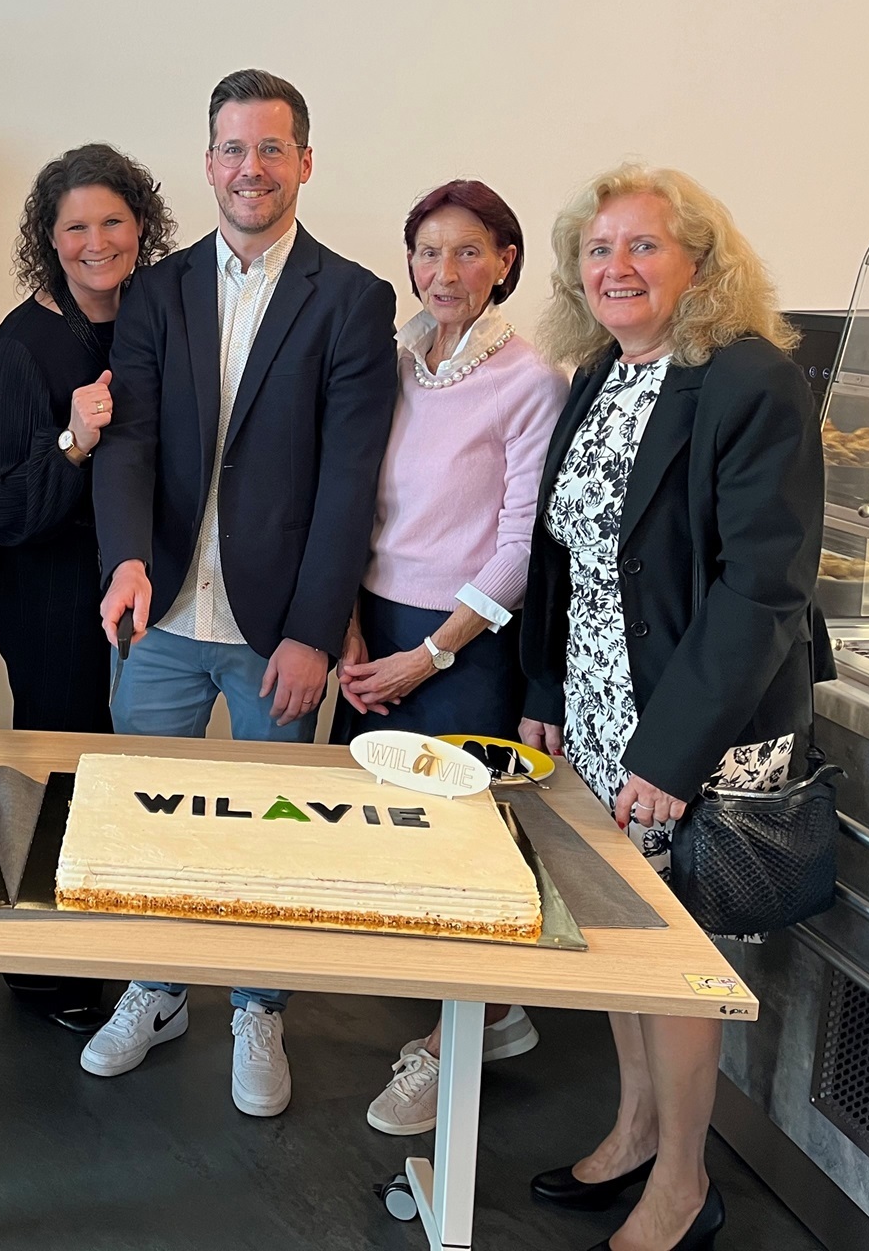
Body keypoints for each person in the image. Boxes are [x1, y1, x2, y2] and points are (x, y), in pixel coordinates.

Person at [86, 69, 398, 1117]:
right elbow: (127, 439)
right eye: (231, 148)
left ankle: (258, 1006)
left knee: (276, 830)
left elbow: (351, 480)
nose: (249, 168)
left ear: (304, 163)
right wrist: (125, 556)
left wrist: (316, 630)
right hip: (164, 613)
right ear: (208, 161)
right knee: (152, 819)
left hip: (279, 631)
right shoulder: (160, 289)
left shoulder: (351, 300)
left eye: (270, 149)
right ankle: (156, 987)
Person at [519, 164, 820, 1251]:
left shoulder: (747, 381)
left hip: (694, 726)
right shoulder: (599, 373)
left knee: (669, 958)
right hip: (598, 714)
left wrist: (673, 752)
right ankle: (638, 1125)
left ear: (701, 262)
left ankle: (685, 1185)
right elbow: (566, 560)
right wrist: (548, 694)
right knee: (608, 934)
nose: (616, 267)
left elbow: (763, 588)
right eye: (598, 251)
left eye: (643, 246)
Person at [324, 180, 567, 1136]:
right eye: (428, 252)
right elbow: (350, 501)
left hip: (461, 645)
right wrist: (347, 627)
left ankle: (459, 1036)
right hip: (371, 628)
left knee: (460, 857)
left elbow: (519, 548)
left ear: (505, 261)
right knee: (382, 834)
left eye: (468, 252)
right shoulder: (393, 364)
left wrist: (427, 656)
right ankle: (488, 1016)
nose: (444, 271)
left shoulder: (530, 381)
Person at [0, 142, 174, 1029]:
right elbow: (0, 508)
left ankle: (119, 952)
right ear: (47, 241)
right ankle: (46, 967)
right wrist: (73, 442)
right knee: (65, 771)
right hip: (52, 597)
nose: (97, 242)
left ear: (143, 227)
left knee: (128, 775)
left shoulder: (156, 318)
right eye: (75, 227)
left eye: (114, 222)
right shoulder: (21, 348)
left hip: (140, 589)